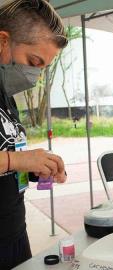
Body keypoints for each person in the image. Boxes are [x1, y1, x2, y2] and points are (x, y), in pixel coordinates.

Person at [0, 1, 68, 268]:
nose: (35, 76)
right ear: (3, 41)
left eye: (42, 68)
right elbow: (11, 159)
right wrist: (18, 161)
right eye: (33, 62)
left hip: (14, 233)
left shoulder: (5, 95)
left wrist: (36, 166)